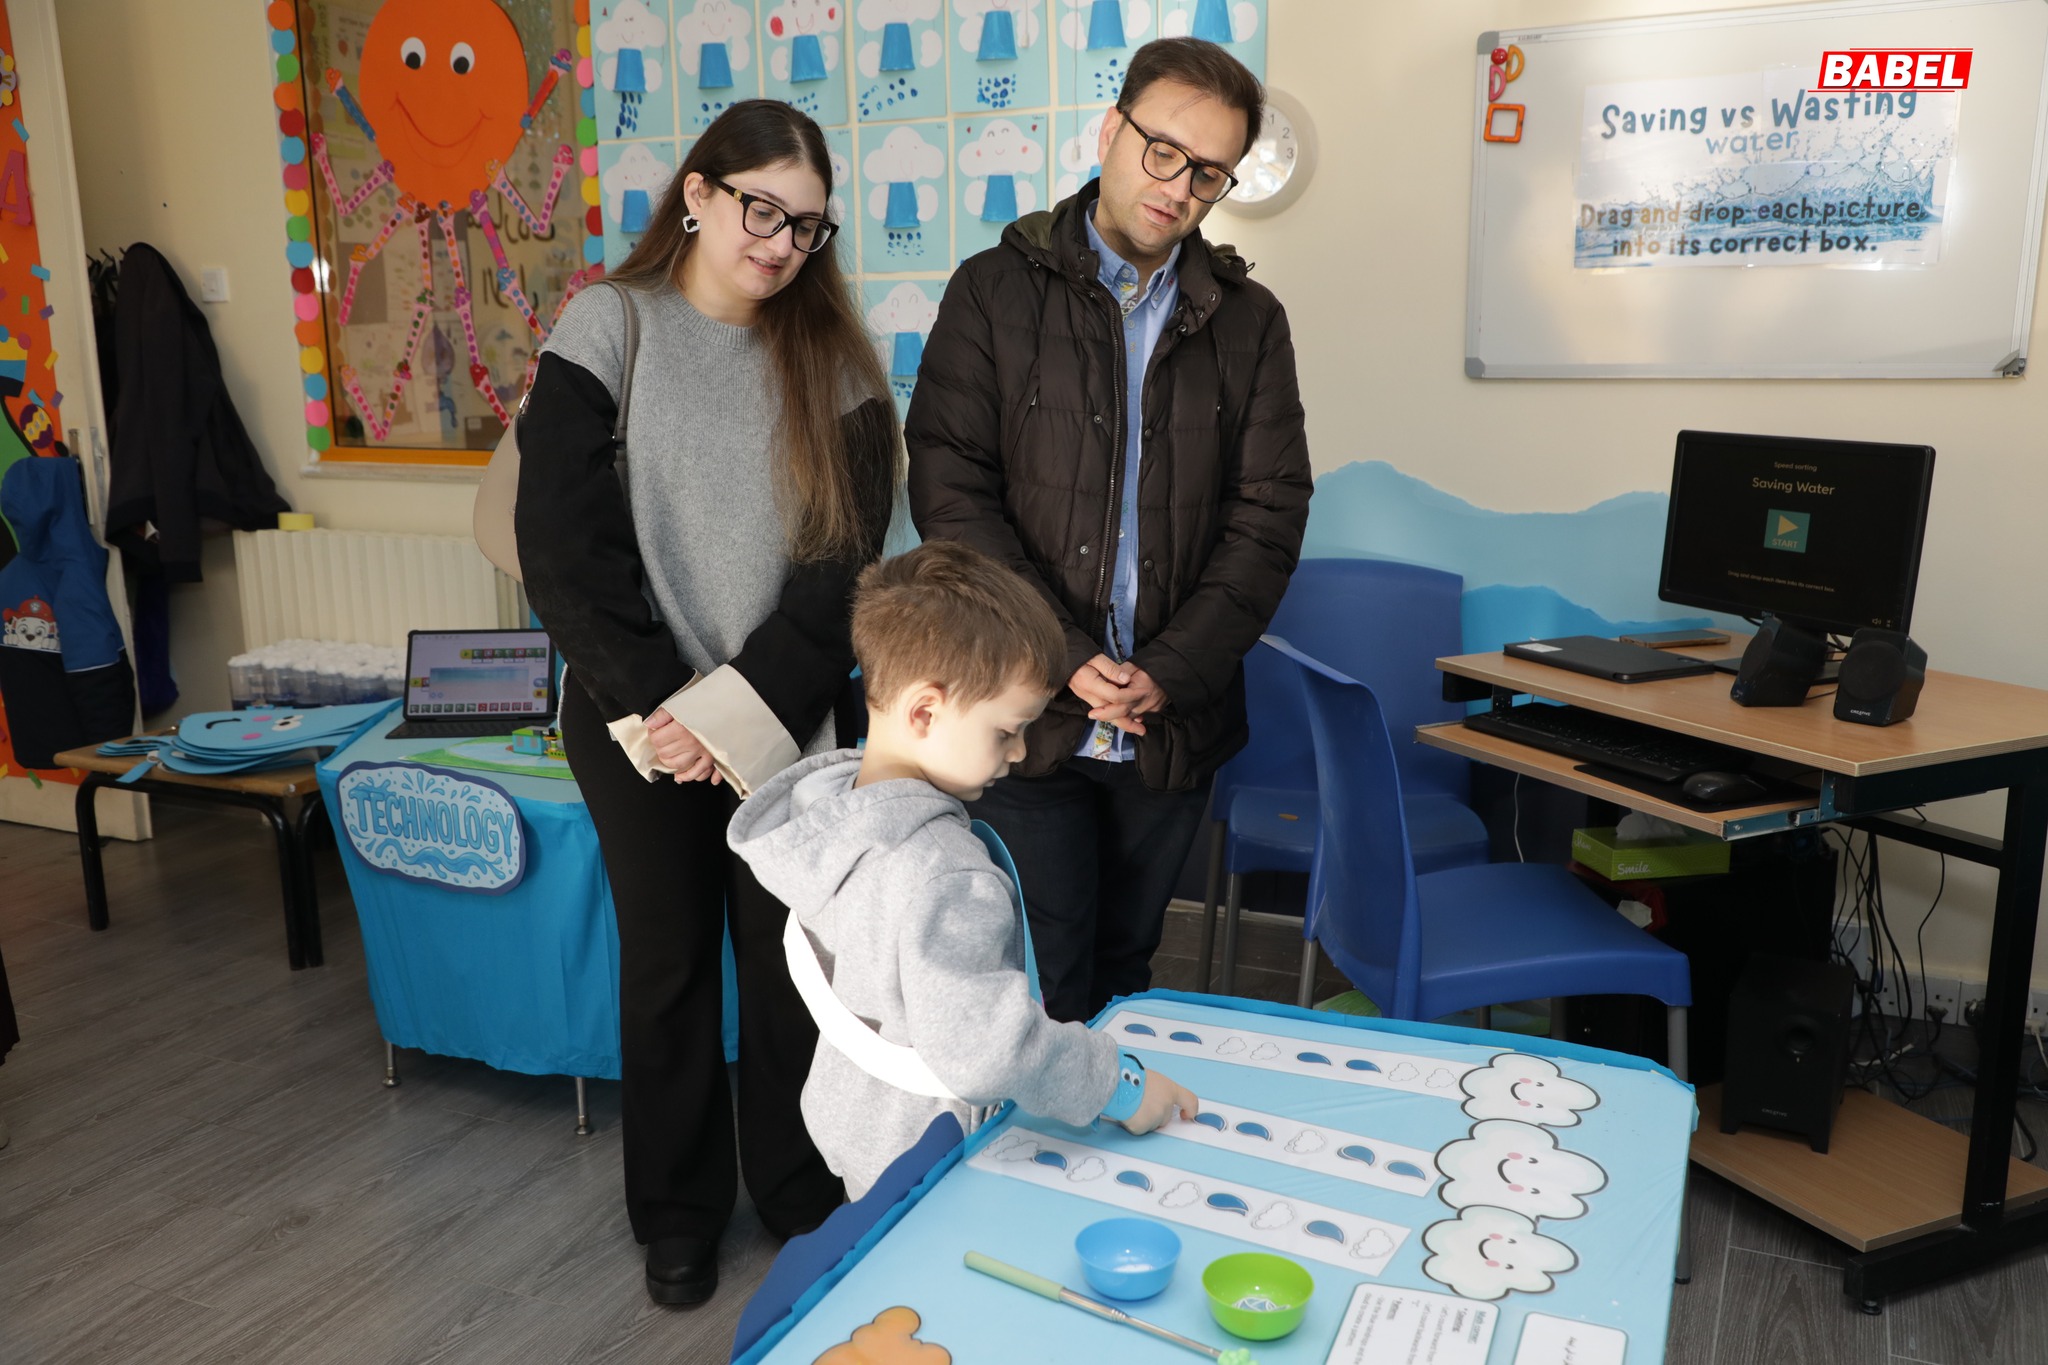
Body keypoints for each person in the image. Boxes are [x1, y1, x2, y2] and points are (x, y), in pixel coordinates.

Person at [515, 99, 897, 1308]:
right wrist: (666, 709)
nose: (781, 244)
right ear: (697, 193)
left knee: (788, 969)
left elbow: (839, 573)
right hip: (631, 717)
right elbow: (561, 546)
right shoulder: (608, 324)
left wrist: (730, 714)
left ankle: (795, 1189)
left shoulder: (836, 364)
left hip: (788, 721)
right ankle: (677, 1213)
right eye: (760, 210)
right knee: (668, 964)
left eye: (807, 226)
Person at [906, 38, 1313, 1023]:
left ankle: (1113, 1124)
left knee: (1128, 970)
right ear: (1110, 132)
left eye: (1208, 172)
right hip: (1020, 711)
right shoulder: (991, 292)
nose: (1177, 187)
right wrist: (1063, 654)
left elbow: (1269, 515)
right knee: (1042, 977)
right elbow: (951, 493)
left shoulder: (1249, 321)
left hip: (1169, 726)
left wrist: (1167, 669)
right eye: (1161, 150)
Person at [728, 540, 1199, 1198]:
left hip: (861, 1121)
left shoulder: (834, 816)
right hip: (936, 1149)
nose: (1020, 752)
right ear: (924, 711)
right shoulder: (945, 873)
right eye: (1006, 731)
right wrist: (1118, 1086)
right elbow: (987, 1048)